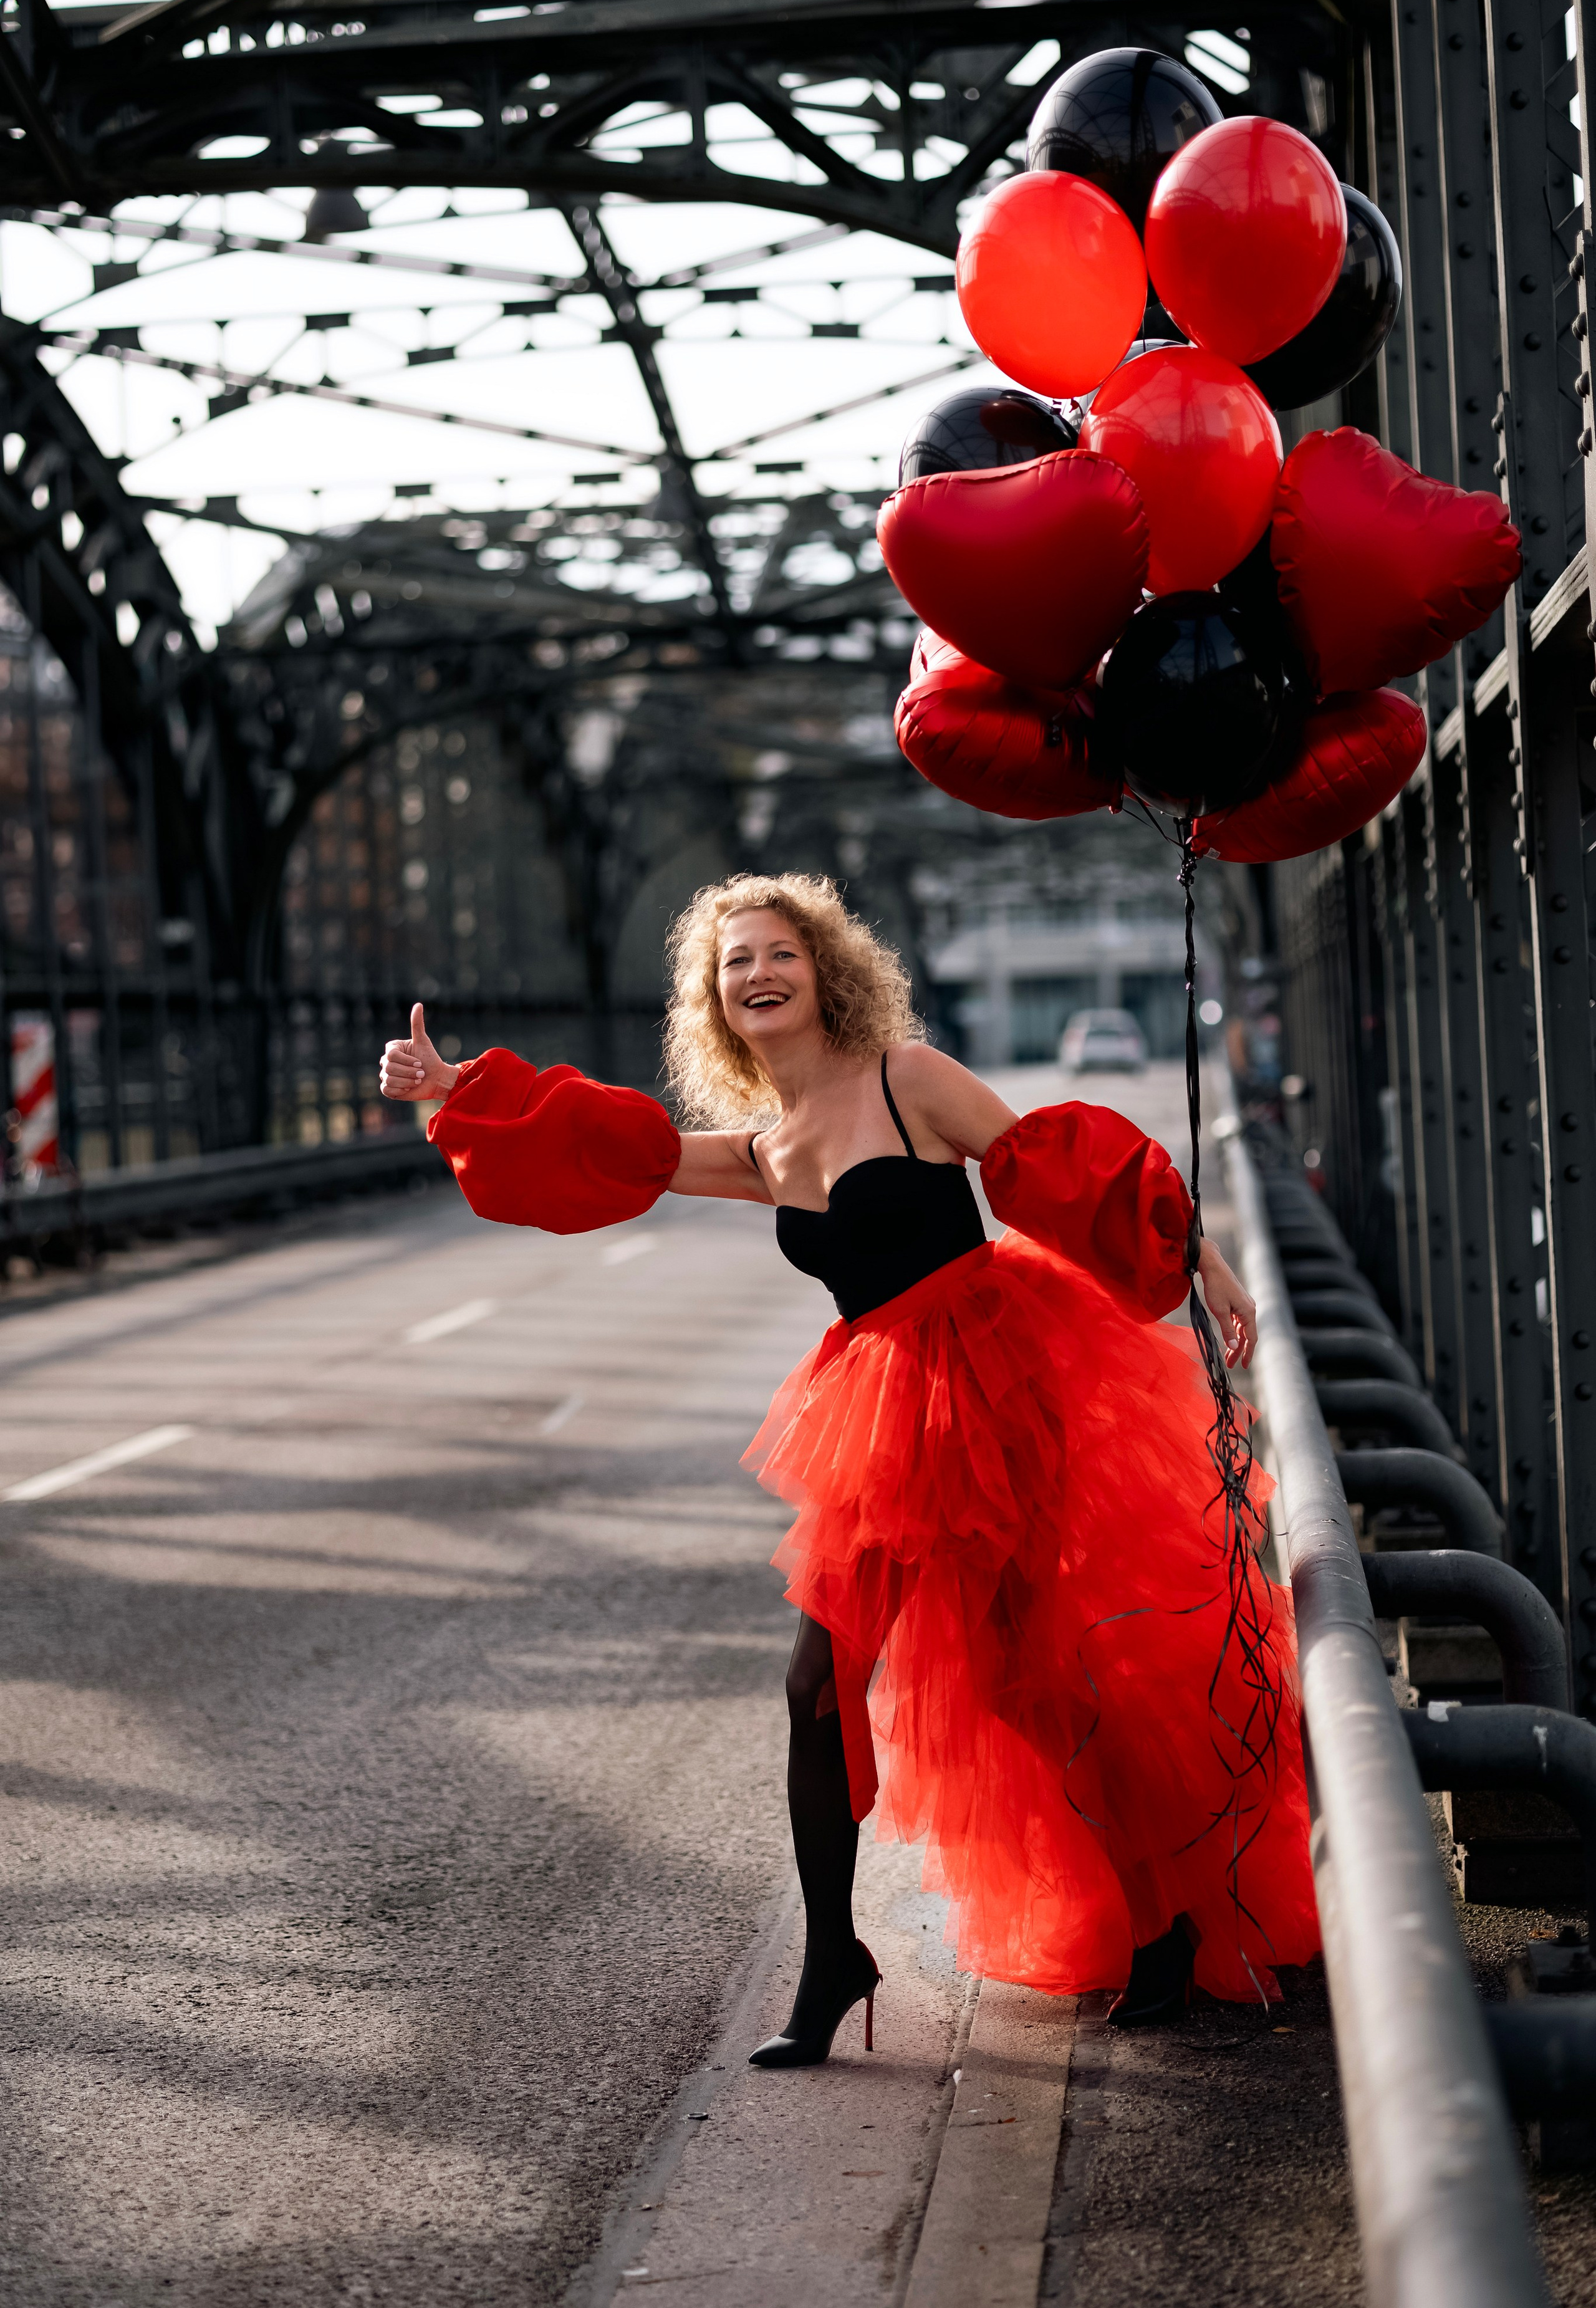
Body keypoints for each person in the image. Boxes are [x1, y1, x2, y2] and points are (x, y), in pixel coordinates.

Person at [380, 872, 1317, 2067]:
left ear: (827, 969)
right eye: (734, 964)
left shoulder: (905, 1080)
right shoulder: (762, 1148)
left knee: (1039, 1681)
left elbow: (1066, 1171)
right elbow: (607, 1149)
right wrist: (460, 1091)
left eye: (780, 952)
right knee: (815, 1686)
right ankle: (834, 1958)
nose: (758, 973)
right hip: (875, 1417)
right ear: (713, 1002)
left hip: (990, 1393)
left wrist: (1205, 1263)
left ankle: (1159, 1921)